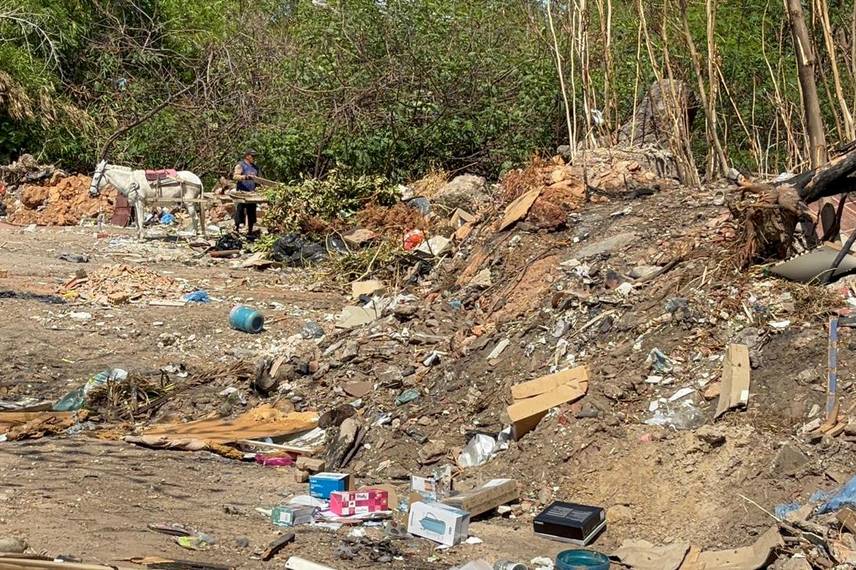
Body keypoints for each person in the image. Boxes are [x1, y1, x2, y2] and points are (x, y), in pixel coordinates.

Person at [232, 149, 260, 236]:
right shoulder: (241, 165)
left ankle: (250, 231)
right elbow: (235, 176)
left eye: (255, 156)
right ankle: (237, 228)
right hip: (242, 192)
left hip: (252, 193)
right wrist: (245, 177)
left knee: (251, 211)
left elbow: (258, 180)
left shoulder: (255, 168)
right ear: (247, 156)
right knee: (240, 210)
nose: (254, 158)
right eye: (252, 156)